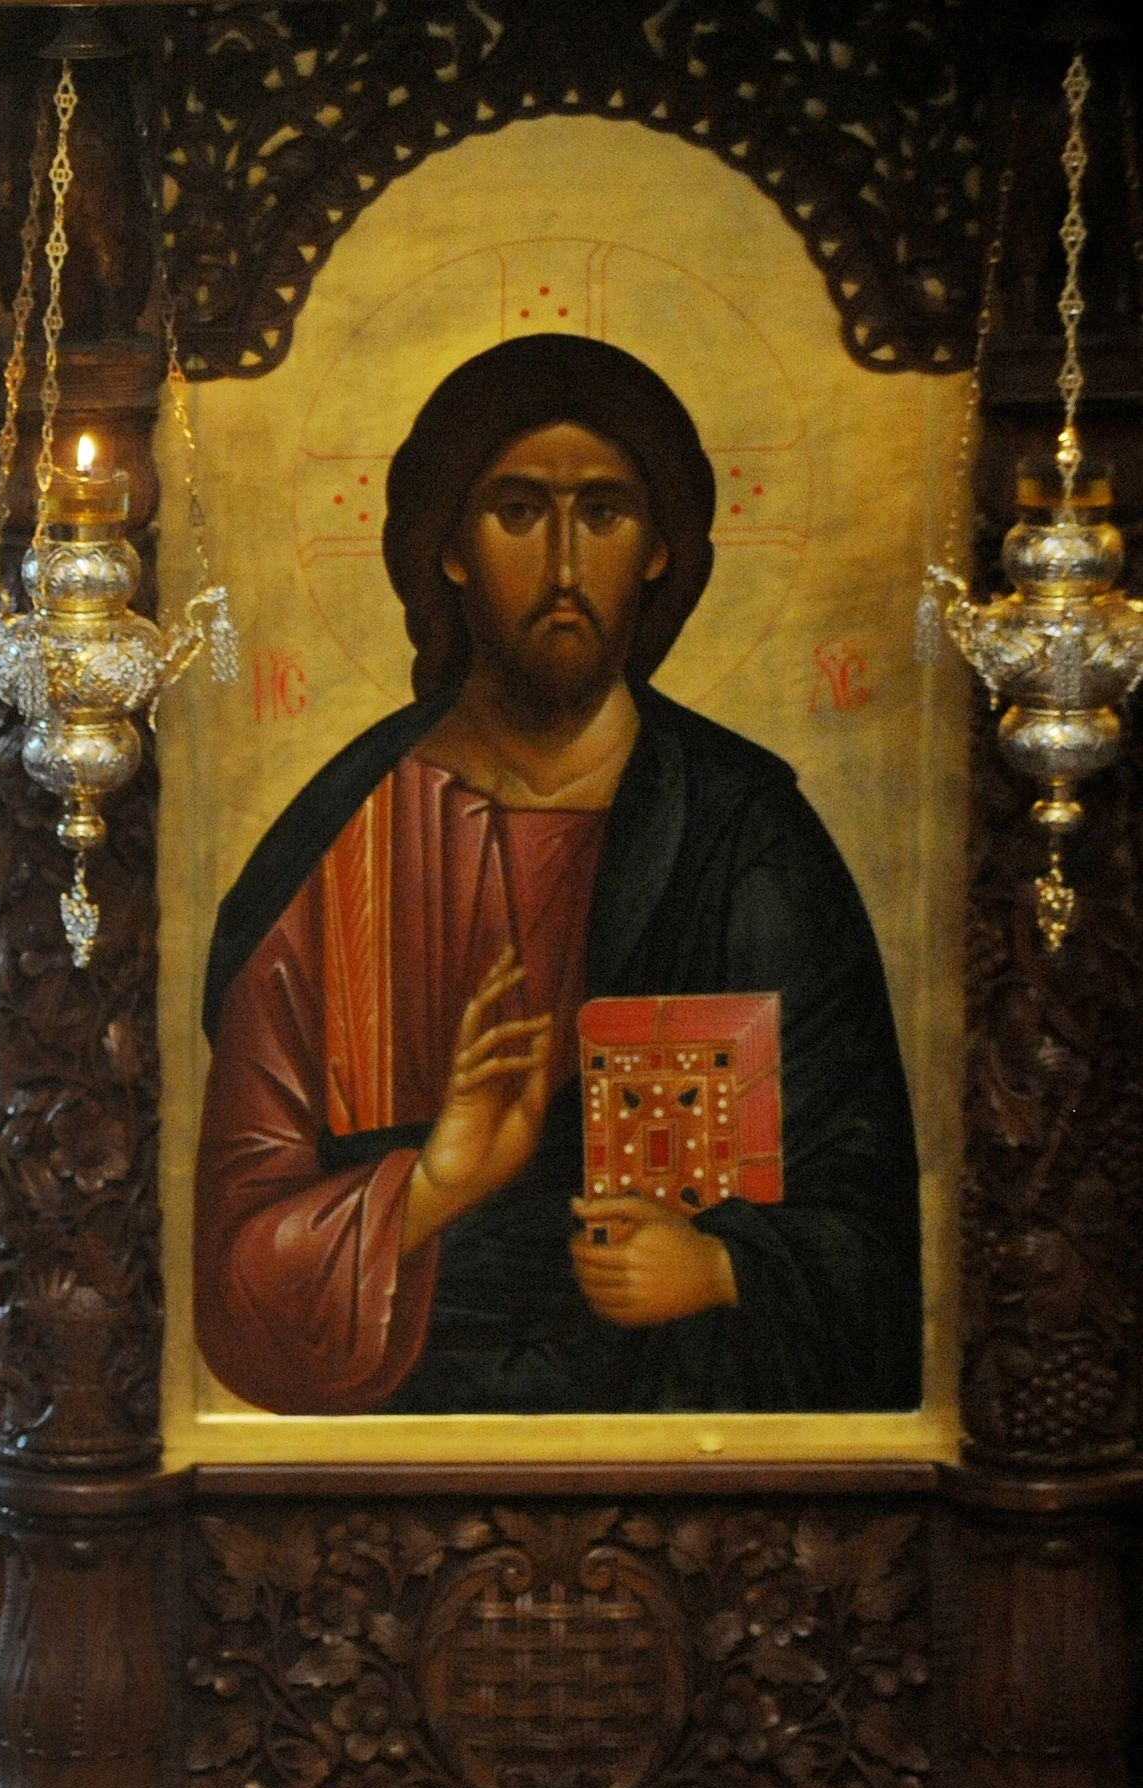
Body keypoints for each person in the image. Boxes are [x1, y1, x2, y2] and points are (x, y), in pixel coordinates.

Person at [196, 334, 920, 1416]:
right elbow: (236, 1271)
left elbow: (876, 1226)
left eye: (606, 513)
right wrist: (434, 1188)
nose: (567, 568)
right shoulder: (348, 845)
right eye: (520, 511)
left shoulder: (747, 840)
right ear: (449, 546)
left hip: (693, 1452)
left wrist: (722, 1267)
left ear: (662, 548)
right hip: (400, 1456)